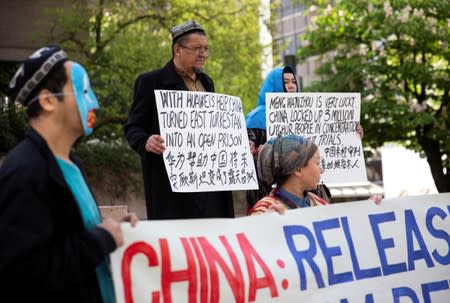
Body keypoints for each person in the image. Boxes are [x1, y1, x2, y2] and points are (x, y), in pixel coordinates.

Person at [0, 45, 138, 302]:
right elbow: (22, 275)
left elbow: (75, 236)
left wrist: (113, 231)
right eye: (84, 91)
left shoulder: (72, 164)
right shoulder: (25, 172)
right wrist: (100, 240)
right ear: (48, 100)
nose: (94, 102)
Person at [124, 20, 234, 219]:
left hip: (209, 184)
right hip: (171, 187)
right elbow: (133, 127)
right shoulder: (150, 82)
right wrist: (146, 141)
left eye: (206, 49)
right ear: (177, 49)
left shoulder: (207, 83)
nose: (203, 54)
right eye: (197, 48)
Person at [245, 66, 364, 210]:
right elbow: (249, 159)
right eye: (285, 82)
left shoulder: (312, 113)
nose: (290, 86)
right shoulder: (256, 119)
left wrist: (351, 135)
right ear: (273, 85)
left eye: (293, 82)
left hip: (310, 192)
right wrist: (258, 152)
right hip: (275, 195)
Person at [248, 134, 381, 215]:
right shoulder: (264, 210)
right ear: (298, 169)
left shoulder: (317, 202)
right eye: (317, 163)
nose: (321, 169)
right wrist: (268, 226)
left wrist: (365, 214)